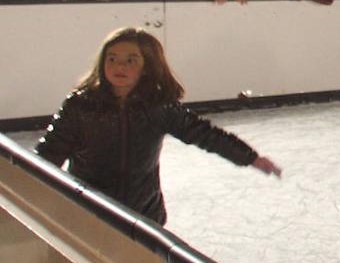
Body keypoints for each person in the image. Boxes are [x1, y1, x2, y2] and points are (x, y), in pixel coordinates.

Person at [35, 28, 281, 225]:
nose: (120, 67)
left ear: (146, 67)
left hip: (142, 212)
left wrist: (249, 157)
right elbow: (49, 153)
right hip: (86, 210)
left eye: (130, 60)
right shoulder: (81, 106)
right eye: (113, 59)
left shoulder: (157, 106)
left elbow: (203, 133)